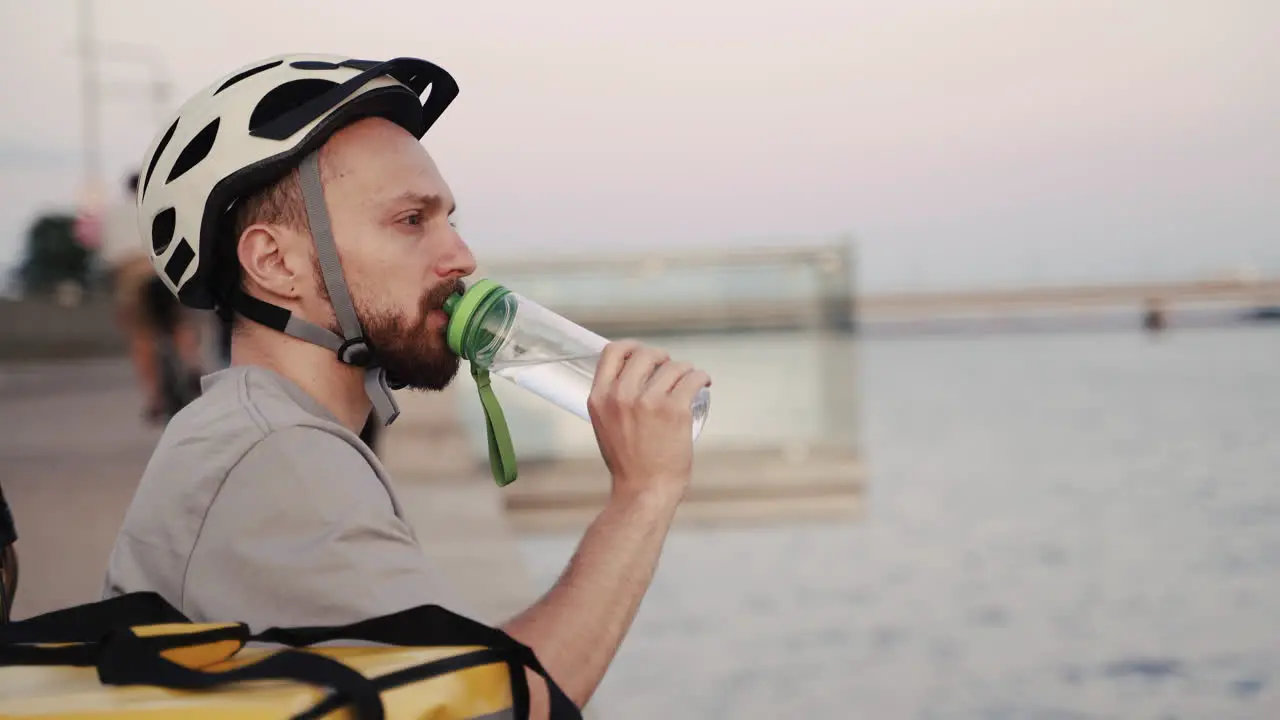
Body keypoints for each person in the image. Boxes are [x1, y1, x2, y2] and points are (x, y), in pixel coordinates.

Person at [101, 54, 711, 716]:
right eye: (411, 220)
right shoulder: (274, 458)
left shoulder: (269, 433)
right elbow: (498, 707)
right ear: (275, 262)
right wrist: (643, 494)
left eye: (448, 217)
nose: (461, 257)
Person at [98, 171, 205, 422]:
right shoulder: (162, 206)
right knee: (180, 322)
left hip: (132, 277)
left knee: (141, 334)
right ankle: (192, 365)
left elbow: (108, 256)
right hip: (162, 271)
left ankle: (154, 397)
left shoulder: (113, 214)